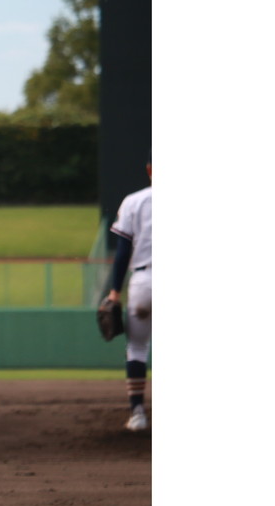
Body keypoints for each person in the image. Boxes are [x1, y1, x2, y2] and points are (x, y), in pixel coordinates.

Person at [105, 158, 152, 432]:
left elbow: (123, 252)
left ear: (149, 169)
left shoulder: (134, 201)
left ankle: (137, 414)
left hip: (144, 281)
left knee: (137, 347)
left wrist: (114, 292)